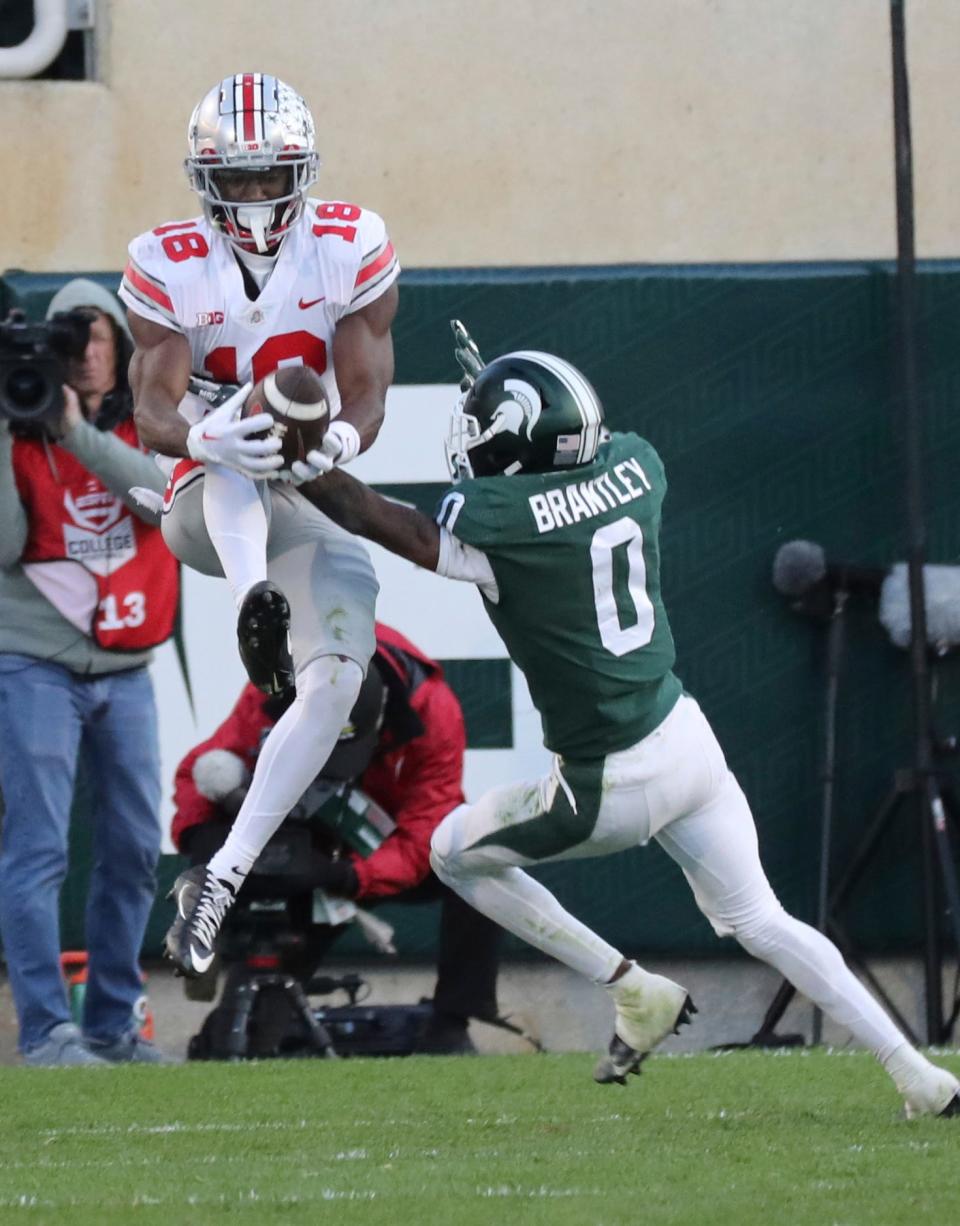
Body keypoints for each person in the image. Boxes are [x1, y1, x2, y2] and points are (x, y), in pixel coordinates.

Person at [289, 335, 960, 1117]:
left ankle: (631, 987)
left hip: (609, 778)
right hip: (686, 737)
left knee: (450, 852)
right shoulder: (637, 465)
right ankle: (918, 1074)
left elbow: (379, 519)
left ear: (512, 450)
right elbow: (570, 459)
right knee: (763, 919)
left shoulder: (499, 524)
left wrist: (298, 459)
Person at [117, 72, 399, 975]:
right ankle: (255, 608)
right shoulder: (165, 259)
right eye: (232, 179)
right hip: (209, 500)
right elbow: (151, 406)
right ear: (204, 180)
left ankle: (219, 883)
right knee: (243, 433)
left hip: (302, 497)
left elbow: (367, 389)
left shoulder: (348, 244)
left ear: (301, 171)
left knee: (338, 683)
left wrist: (342, 440)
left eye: (265, 176)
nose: (250, 195)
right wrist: (202, 431)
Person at [172, 622, 502, 1052]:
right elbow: (202, 769)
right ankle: (238, 1004)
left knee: (481, 860)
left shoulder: (434, 711)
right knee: (247, 1037)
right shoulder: (274, 688)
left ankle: (452, 1025)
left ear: (380, 716)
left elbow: (429, 827)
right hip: (302, 838)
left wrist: (345, 876)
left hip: (374, 852)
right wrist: (203, 843)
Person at [0, 278, 178, 1065]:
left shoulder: (153, 421)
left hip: (127, 666)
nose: (84, 354)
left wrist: (74, 433)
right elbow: (5, 545)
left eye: (96, 336)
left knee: (137, 845)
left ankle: (113, 1021)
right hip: (32, 661)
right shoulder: (19, 417)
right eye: (70, 341)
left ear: (121, 344)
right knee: (38, 849)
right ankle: (46, 1031)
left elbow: (161, 503)